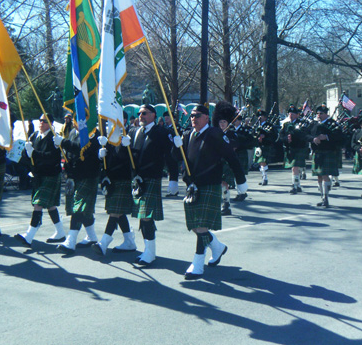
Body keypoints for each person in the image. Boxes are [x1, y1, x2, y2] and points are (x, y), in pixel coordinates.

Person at [181, 104, 247, 280]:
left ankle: (197, 264)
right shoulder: (188, 135)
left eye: (197, 115)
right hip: (193, 186)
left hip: (209, 183)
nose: (193, 118)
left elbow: (231, 158)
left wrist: (241, 181)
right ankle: (217, 246)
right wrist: (175, 147)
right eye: (192, 116)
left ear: (206, 118)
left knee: (201, 225)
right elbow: (183, 160)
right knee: (195, 225)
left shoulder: (215, 134)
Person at [129, 103, 173, 266]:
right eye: (140, 113)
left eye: (145, 113)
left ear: (154, 115)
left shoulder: (161, 133)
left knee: (146, 216)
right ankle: (148, 250)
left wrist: (173, 178)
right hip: (137, 179)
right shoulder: (134, 131)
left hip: (151, 177)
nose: (141, 116)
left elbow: (170, 156)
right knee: (143, 217)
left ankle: (150, 253)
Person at [15, 113, 66, 247]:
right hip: (38, 175)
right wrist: (27, 153)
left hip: (50, 175)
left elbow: (51, 157)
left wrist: (34, 153)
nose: (41, 123)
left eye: (44, 121)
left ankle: (29, 236)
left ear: (50, 124)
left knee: (38, 204)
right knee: (50, 205)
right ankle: (60, 232)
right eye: (40, 120)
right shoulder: (34, 136)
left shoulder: (54, 138)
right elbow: (27, 156)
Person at [93, 131, 137, 256]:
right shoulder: (109, 140)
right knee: (119, 212)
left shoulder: (129, 137)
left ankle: (103, 243)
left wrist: (126, 147)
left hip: (123, 179)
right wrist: (101, 155)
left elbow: (133, 159)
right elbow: (105, 164)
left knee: (115, 212)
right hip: (111, 180)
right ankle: (129, 241)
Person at [57, 129, 101, 253]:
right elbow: (70, 154)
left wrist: (63, 142)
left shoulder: (93, 132)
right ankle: (92, 237)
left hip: (88, 174)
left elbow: (83, 149)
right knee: (83, 210)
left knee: (78, 208)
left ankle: (70, 242)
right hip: (75, 174)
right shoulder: (72, 132)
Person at [309, 104, 343, 208]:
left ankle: (326, 198)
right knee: (319, 176)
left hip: (328, 151)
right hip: (317, 152)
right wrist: (313, 139)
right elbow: (305, 134)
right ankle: (322, 197)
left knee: (324, 175)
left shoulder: (332, 124)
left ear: (326, 114)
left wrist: (327, 137)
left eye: (321, 113)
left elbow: (340, 137)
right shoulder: (313, 124)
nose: (319, 115)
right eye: (317, 113)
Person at [280, 105, 309, 195]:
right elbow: (281, 136)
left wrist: (294, 135)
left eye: (293, 113)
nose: (291, 115)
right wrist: (286, 139)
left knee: (295, 168)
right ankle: (298, 185)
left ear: (297, 115)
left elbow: (304, 136)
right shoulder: (286, 124)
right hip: (290, 149)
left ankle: (294, 186)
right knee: (295, 168)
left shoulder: (301, 123)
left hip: (299, 148)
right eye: (289, 113)